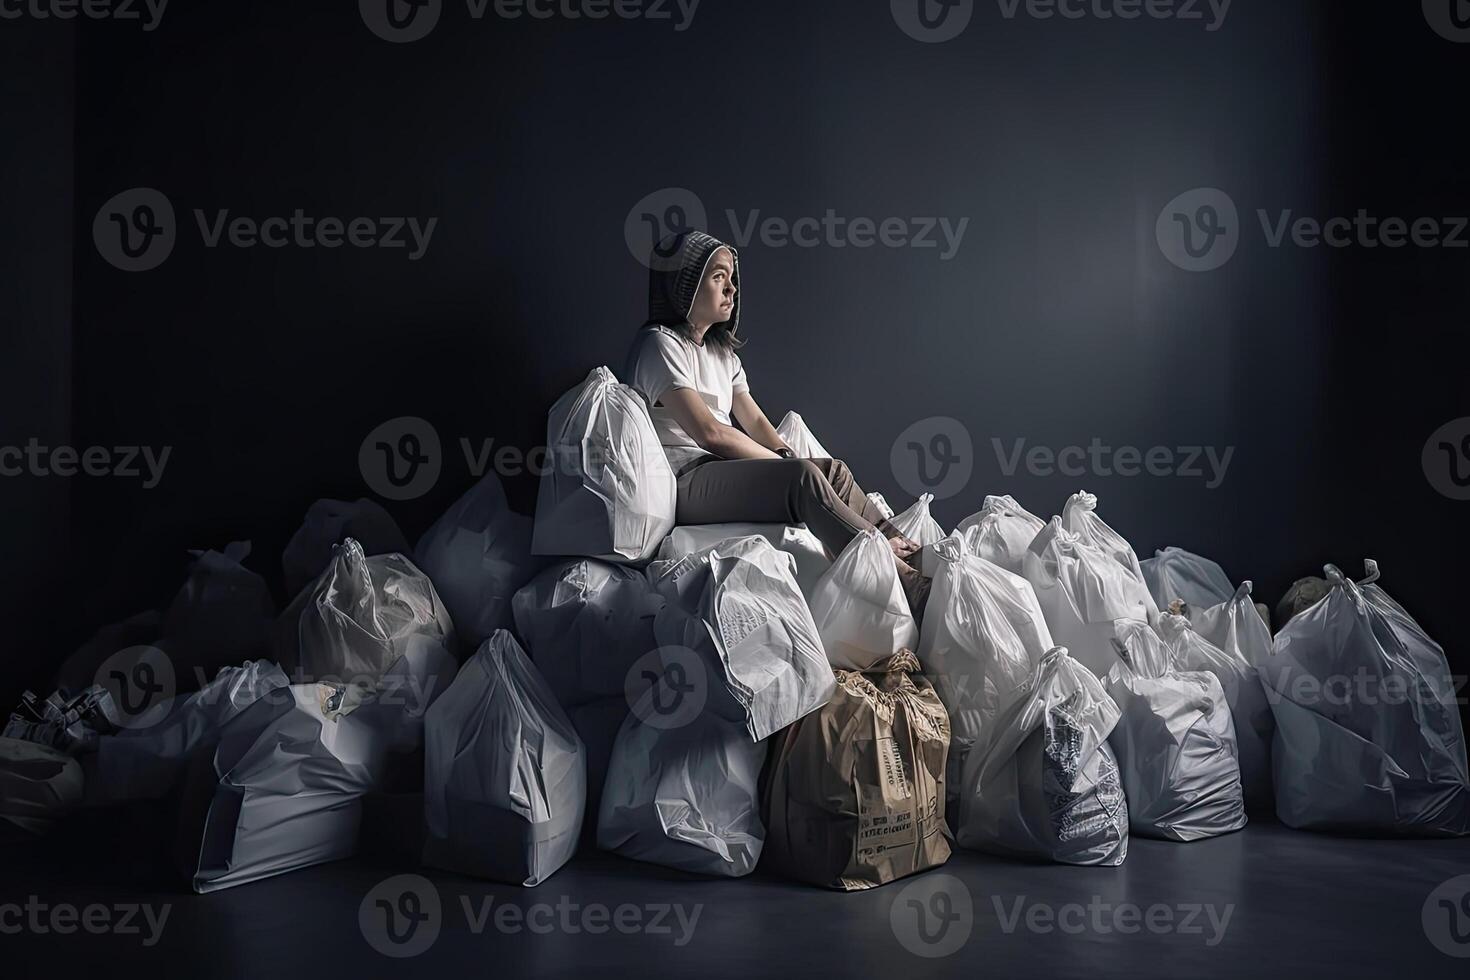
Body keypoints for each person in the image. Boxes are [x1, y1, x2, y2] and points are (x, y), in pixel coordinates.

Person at [625, 230, 930, 616]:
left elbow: (753, 418)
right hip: (686, 481)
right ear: (685, 285)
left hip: (722, 469)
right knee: (802, 478)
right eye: (718, 277)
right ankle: (903, 578)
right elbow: (711, 433)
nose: (731, 289)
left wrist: (784, 452)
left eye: (732, 278)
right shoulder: (659, 344)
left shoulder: (721, 353)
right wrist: (786, 465)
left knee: (831, 470)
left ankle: (904, 548)